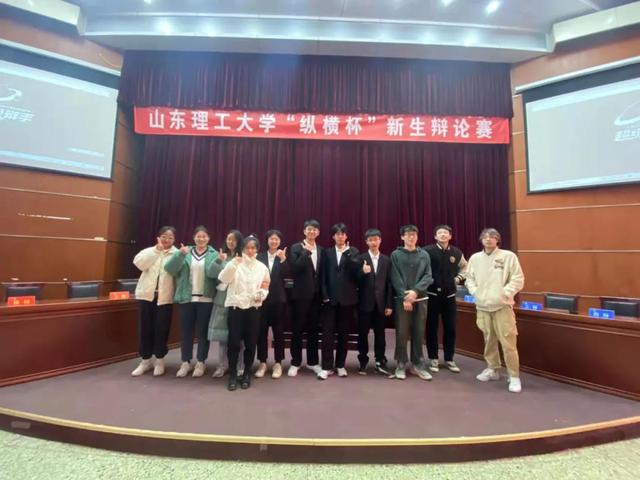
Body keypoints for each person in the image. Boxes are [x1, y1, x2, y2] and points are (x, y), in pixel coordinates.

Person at [465, 228, 525, 393]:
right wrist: (475, 292)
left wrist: (505, 293)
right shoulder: (475, 258)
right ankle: (492, 368)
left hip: (502, 306)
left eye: (492, 237)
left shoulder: (508, 256)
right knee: (488, 339)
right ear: (481, 240)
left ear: (498, 240)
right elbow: (469, 278)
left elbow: (518, 278)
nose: (488, 239)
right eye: (485, 237)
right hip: (482, 306)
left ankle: (514, 376)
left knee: (508, 342)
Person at [164, 225, 220, 378]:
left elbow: (217, 275)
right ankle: (185, 362)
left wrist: (220, 262)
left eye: (204, 236)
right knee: (186, 332)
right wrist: (180, 255)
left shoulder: (214, 254)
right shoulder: (184, 251)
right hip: (186, 298)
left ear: (208, 238)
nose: (201, 239)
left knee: (203, 333)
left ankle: (201, 362)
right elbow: (170, 269)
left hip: (206, 299)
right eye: (198, 236)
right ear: (194, 238)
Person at [218, 235, 270, 391]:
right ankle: (233, 374)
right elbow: (223, 279)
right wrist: (233, 264)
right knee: (233, 343)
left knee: (251, 343)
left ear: (257, 249)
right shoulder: (234, 263)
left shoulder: (262, 267)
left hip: (253, 308)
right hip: (236, 307)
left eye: (253, 248)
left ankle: (247, 373)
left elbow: (265, 284)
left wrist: (262, 294)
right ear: (242, 249)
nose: (250, 250)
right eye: (247, 248)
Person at [131, 226, 178, 377]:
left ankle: (159, 360)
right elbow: (140, 264)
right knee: (145, 328)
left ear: (174, 240)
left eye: (170, 237)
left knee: (162, 329)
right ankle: (145, 360)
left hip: (165, 298)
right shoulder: (148, 251)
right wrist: (156, 251)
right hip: (147, 296)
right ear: (158, 237)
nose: (167, 240)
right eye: (164, 236)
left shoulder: (177, 254)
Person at [389, 225, 433, 381]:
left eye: (414, 234)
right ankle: (401, 363)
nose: (411, 237)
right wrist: (405, 297)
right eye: (408, 234)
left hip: (420, 299)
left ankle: (418, 364)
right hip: (402, 301)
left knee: (419, 332)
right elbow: (395, 277)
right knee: (402, 333)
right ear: (402, 237)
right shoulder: (396, 255)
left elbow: (428, 276)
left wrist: (415, 291)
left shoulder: (424, 255)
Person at [423, 225, 468, 374]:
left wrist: (458, 278)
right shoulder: (427, 251)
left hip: (449, 297)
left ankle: (449, 358)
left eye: (445, 233)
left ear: (450, 236)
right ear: (435, 236)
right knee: (431, 328)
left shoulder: (456, 252)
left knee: (450, 328)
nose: (443, 235)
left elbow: (466, 268)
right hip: (432, 295)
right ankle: (433, 358)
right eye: (440, 233)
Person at [318, 223, 360, 379]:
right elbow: (322, 275)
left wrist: (347, 254)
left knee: (344, 333)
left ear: (346, 236)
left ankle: (340, 365)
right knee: (327, 334)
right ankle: (327, 366)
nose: (340, 236)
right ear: (333, 237)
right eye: (337, 234)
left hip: (347, 300)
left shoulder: (353, 251)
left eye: (343, 234)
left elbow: (356, 272)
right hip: (329, 299)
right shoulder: (326, 252)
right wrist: (324, 294)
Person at [287, 219, 324, 377]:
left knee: (313, 330)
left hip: (316, 296)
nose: (312, 232)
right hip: (300, 296)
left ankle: (312, 362)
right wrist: (306, 252)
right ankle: (295, 362)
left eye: (315, 229)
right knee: (297, 329)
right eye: (309, 229)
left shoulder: (321, 250)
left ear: (318, 232)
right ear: (304, 231)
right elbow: (294, 268)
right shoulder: (296, 248)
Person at [208, 230, 244, 378]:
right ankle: (221, 366)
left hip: (237, 300)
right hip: (222, 299)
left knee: (239, 337)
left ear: (239, 242)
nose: (230, 242)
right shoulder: (221, 255)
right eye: (228, 239)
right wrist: (218, 261)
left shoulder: (243, 257)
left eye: (234, 240)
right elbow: (211, 274)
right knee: (223, 337)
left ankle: (240, 366)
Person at [357, 228, 393, 376]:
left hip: (381, 304)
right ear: (366, 242)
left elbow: (389, 284)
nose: (373, 242)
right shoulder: (360, 258)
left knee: (380, 334)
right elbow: (354, 281)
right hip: (364, 303)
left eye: (376, 239)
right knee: (363, 334)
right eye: (370, 240)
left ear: (380, 240)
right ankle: (363, 360)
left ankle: (380, 361)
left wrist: (389, 304)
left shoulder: (386, 260)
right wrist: (362, 272)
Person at [255, 229, 289, 379]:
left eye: (277, 239)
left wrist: (283, 260)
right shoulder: (259, 256)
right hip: (261, 300)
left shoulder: (283, 256)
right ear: (267, 240)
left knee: (278, 332)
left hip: (278, 300)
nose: (274, 241)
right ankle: (262, 362)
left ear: (280, 241)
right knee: (261, 332)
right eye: (271, 239)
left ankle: (278, 363)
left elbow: (288, 275)